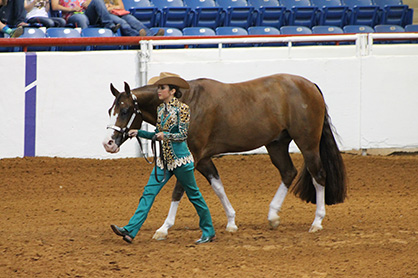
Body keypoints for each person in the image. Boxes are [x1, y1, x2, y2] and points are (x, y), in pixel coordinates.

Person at [110, 72, 215, 245]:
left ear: (172, 91)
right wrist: (140, 133)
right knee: (148, 193)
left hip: (180, 160)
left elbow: (182, 135)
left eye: (162, 88)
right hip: (163, 160)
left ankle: (208, 231)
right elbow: (156, 133)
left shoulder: (183, 109)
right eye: (159, 87)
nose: (158, 91)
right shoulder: (160, 110)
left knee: (194, 196)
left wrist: (164, 136)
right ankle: (130, 229)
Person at [50, 0, 120, 32]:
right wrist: (71, 9)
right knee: (81, 18)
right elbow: (54, 6)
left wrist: (88, 2)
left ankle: (109, 25)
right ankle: (86, 39)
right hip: (72, 15)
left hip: (86, 12)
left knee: (98, 1)